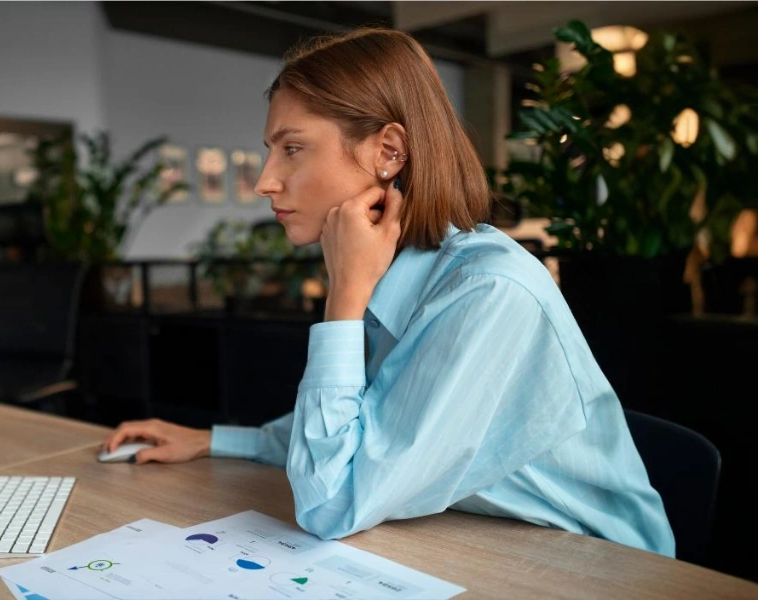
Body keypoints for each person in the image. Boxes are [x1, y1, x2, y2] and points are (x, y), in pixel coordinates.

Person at [102, 27, 675, 557]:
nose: (265, 180)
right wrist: (214, 440)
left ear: (388, 152)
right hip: (496, 540)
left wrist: (346, 297)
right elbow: (367, 432)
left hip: (603, 568)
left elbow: (330, 502)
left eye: (292, 148)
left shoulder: (488, 291)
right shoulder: (405, 268)